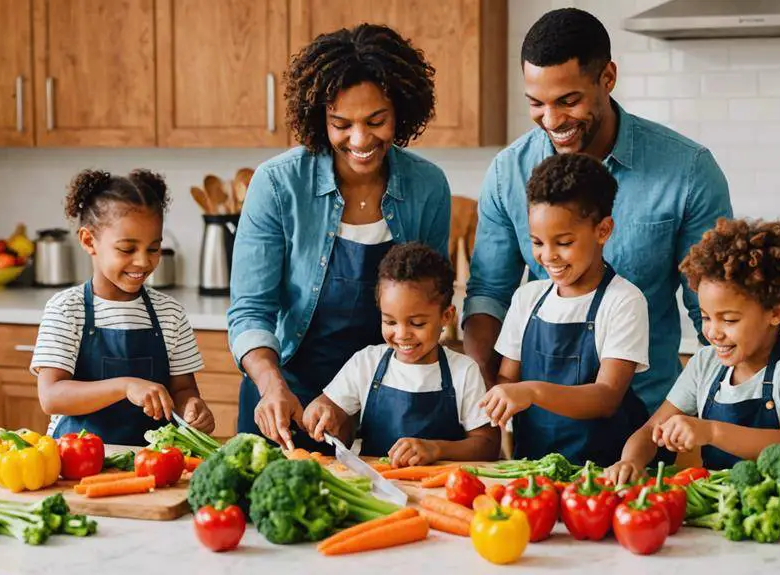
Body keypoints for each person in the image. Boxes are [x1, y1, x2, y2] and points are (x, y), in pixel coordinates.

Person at [463, 8, 733, 416]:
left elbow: (712, 312)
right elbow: (488, 296)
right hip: (539, 422)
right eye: (537, 103)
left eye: (568, 101)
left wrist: (717, 421)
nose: (552, 121)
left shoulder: (688, 171)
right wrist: (487, 403)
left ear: (607, 78)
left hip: (648, 418)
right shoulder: (507, 173)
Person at [227, 24, 451, 453]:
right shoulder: (277, 184)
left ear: (401, 111)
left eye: (376, 121)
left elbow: (431, 304)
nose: (360, 139)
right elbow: (250, 311)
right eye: (341, 124)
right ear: (319, 118)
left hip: (388, 393)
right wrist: (271, 386)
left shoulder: (428, 187)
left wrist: (354, 398)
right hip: (288, 391)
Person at [606, 218, 780, 484]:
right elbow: (651, 430)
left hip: (777, 508)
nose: (713, 332)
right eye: (706, 317)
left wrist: (710, 431)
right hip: (720, 507)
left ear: (776, 313)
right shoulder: (705, 363)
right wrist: (630, 461)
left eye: (729, 320)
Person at [480, 154, 650, 466]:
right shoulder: (527, 298)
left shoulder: (623, 300)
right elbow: (507, 375)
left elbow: (607, 396)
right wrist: (501, 397)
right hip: (533, 467)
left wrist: (531, 392)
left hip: (602, 472)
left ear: (603, 230)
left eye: (563, 242)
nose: (548, 256)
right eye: (538, 242)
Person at [32, 169, 214, 446]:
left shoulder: (170, 313)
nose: (143, 262)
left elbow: (183, 388)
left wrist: (192, 407)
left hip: (152, 461)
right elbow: (51, 397)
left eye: (153, 249)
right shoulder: (67, 309)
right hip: (75, 460)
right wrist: (126, 386)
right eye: (128, 249)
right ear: (88, 240)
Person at [302, 243, 498, 466]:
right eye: (390, 322)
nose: (402, 334)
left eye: (417, 323)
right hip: (377, 488)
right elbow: (326, 406)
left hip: (440, 490)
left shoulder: (463, 370)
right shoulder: (366, 363)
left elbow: (488, 444)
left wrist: (437, 449)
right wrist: (318, 411)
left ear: (447, 316)